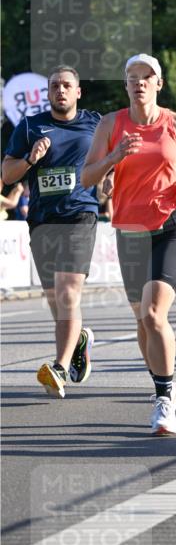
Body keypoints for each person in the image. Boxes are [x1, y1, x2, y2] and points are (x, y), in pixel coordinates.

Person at [81, 53, 176, 436]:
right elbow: (86, 177)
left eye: (146, 76)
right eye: (132, 77)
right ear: (126, 85)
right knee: (142, 322)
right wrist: (114, 157)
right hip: (130, 232)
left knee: (153, 314)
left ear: (158, 84)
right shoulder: (110, 124)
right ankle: (164, 383)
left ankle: (164, 400)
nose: (139, 82)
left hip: (171, 228)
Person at [2, 67, 99, 398]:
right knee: (56, 300)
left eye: (67, 85)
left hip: (80, 215)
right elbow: (7, 174)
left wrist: (112, 175)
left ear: (78, 92)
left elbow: (114, 157)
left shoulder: (95, 123)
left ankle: (58, 367)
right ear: (48, 92)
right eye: (55, 85)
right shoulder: (30, 127)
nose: (61, 90)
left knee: (68, 292)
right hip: (43, 221)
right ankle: (79, 340)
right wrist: (31, 159)